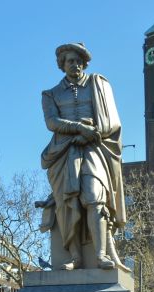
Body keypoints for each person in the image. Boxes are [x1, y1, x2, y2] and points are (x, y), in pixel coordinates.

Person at [39, 42, 127, 271]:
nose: (75, 65)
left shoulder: (98, 83)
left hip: (94, 147)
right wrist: (79, 128)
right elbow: (52, 122)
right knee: (69, 205)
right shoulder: (51, 94)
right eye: (70, 61)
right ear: (62, 64)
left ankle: (100, 255)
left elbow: (112, 120)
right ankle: (75, 257)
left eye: (79, 61)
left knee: (94, 197)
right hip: (64, 152)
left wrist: (91, 133)